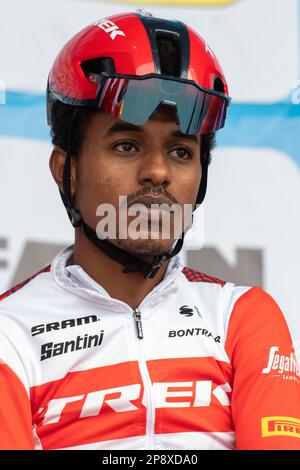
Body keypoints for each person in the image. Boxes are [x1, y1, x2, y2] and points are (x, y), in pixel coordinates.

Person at [0, 10, 299, 451]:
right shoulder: (10, 333)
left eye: (181, 151)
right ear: (67, 170)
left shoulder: (241, 317)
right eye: (126, 145)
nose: (158, 171)